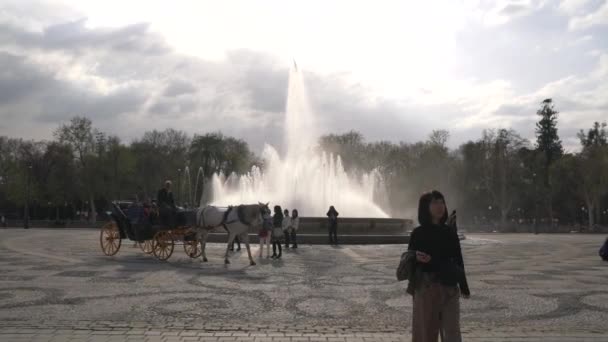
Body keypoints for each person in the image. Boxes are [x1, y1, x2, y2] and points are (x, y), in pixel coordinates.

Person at [407, 190, 470, 342]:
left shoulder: (450, 232)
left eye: (442, 202)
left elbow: (458, 258)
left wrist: (463, 285)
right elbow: (410, 260)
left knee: (452, 333)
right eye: (435, 202)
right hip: (427, 287)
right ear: (425, 207)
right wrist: (417, 258)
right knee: (426, 333)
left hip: (450, 288)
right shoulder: (418, 233)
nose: (440, 206)